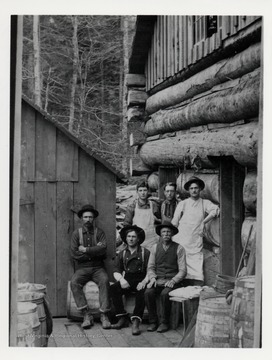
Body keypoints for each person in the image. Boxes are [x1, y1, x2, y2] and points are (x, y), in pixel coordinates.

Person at [171, 176, 219, 286]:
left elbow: (215, 210)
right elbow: (175, 222)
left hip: (195, 240)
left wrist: (204, 222)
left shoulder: (204, 203)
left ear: (200, 189)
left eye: (196, 188)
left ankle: (196, 291)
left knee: (196, 267)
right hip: (182, 238)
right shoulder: (183, 203)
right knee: (181, 265)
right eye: (191, 188)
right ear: (188, 190)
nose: (194, 190)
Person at [70, 204, 111, 329]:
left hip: (98, 267)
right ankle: (86, 315)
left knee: (104, 281)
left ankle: (104, 315)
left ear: (94, 219)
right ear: (81, 219)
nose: (88, 219)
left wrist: (86, 250)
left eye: (90, 217)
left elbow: (103, 250)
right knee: (74, 282)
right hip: (82, 268)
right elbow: (74, 254)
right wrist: (95, 251)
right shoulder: (76, 234)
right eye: (86, 217)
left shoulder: (100, 232)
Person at [144, 221, 187, 333]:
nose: (166, 234)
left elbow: (183, 270)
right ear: (160, 234)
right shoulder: (154, 248)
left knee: (164, 294)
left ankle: (164, 322)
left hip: (173, 281)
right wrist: (153, 278)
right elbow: (151, 267)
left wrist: (173, 280)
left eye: (168, 232)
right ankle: (153, 321)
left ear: (172, 234)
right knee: (148, 292)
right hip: (158, 280)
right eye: (164, 232)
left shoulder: (179, 248)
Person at [110, 225, 150, 335]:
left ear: (138, 239)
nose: (131, 239)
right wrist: (122, 280)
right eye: (129, 236)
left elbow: (150, 270)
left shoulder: (145, 252)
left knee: (142, 292)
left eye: (133, 236)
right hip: (127, 280)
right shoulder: (123, 253)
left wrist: (144, 282)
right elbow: (116, 270)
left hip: (141, 279)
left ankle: (136, 321)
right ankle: (122, 318)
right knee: (113, 288)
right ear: (125, 238)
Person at [123, 180, 161, 251]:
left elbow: (160, 222)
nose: (143, 193)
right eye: (140, 190)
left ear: (148, 191)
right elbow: (127, 225)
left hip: (152, 240)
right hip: (138, 241)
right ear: (137, 192)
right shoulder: (132, 206)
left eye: (145, 190)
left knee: (151, 260)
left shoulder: (154, 205)